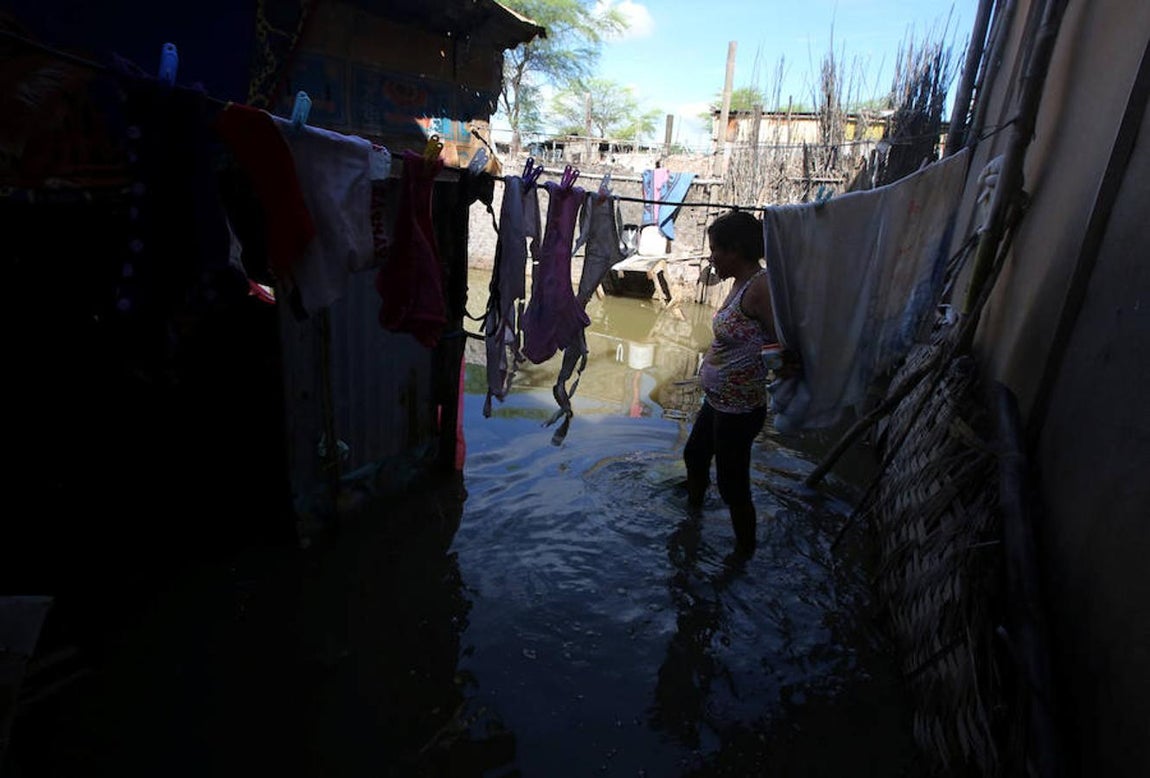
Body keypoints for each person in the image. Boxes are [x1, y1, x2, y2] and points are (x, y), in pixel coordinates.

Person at [683, 210, 795, 556]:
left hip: (740, 408)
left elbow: (782, 342)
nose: (712, 256)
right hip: (719, 402)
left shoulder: (760, 287)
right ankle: (692, 519)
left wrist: (780, 365)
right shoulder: (738, 284)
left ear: (735, 250)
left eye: (716, 249)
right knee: (695, 455)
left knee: (733, 484)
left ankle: (743, 552)